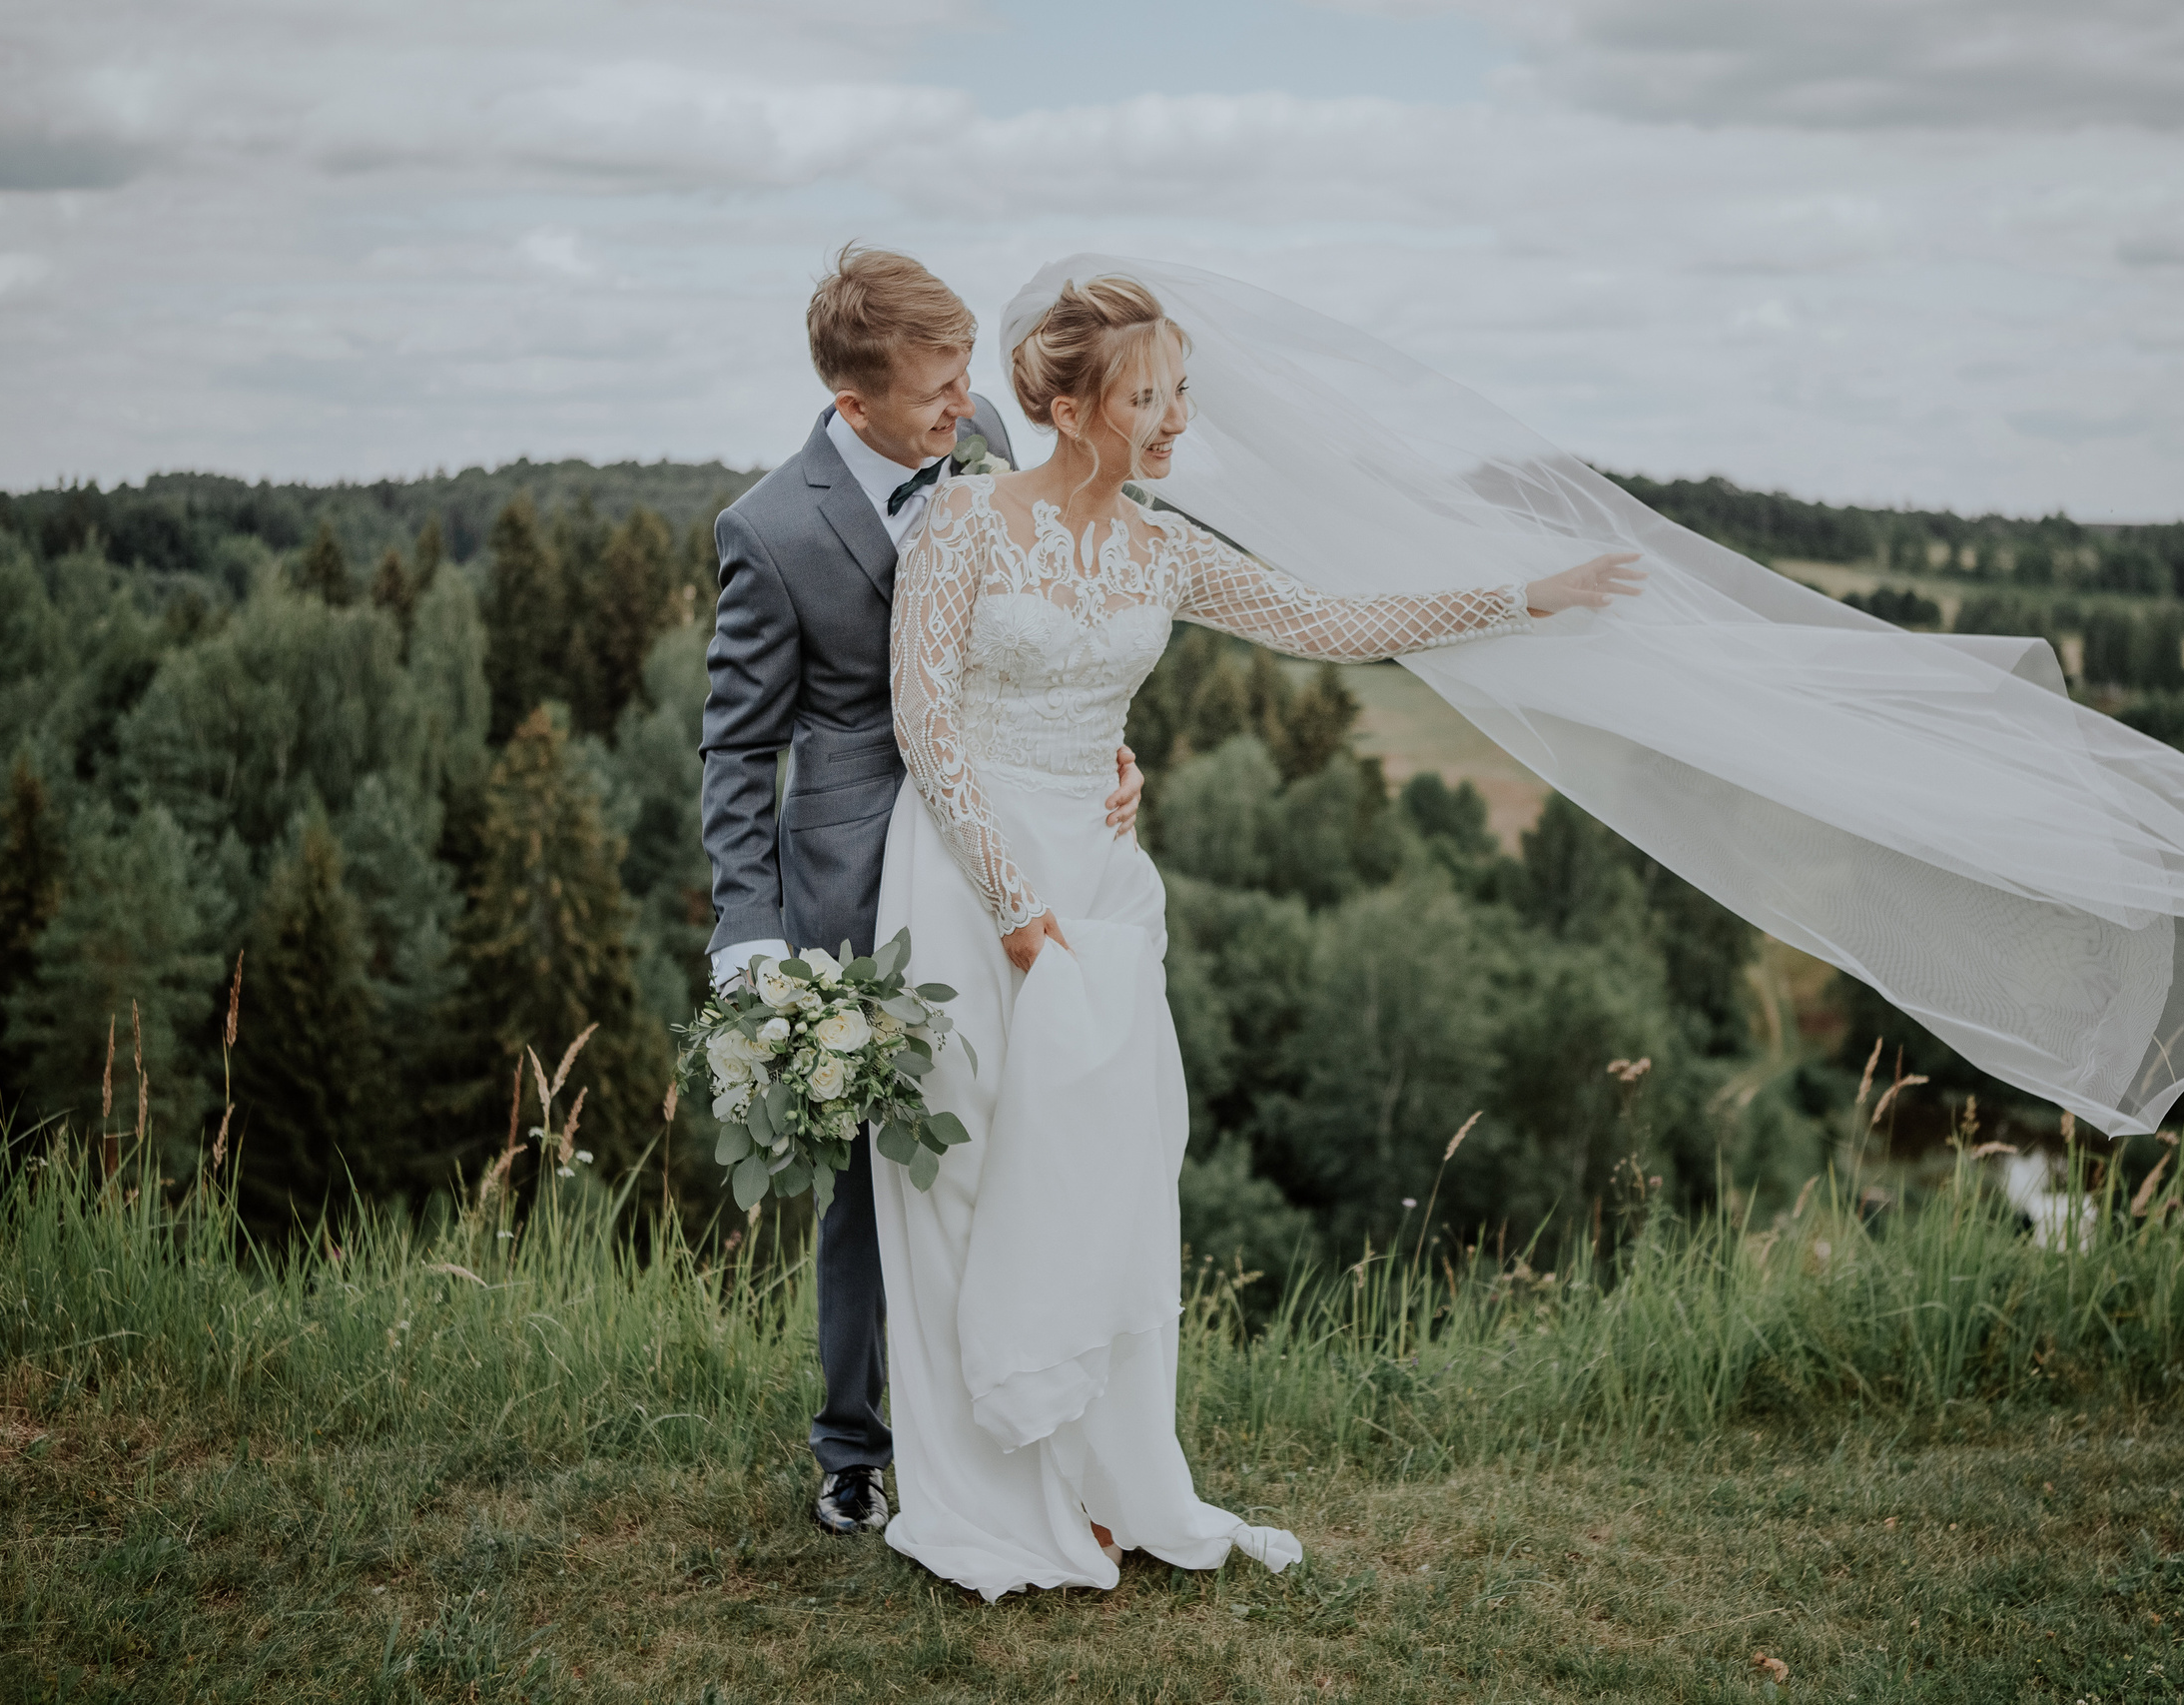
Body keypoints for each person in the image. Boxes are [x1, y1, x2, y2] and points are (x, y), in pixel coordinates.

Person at [872, 275, 1642, 1600]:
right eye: (1145, 395)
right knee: (958, 1183)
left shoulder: (1162, 548)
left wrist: (1526, 596)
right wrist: (1010, 905)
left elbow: (1327, 624)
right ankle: (986, 1494)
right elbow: (925, 724)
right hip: (961, 879)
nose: (1173, 420)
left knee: (1100, 1183)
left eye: (1180, 392)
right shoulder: (962, 525)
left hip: (1101, 890)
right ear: (1064, 405)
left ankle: (1098, 1480)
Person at [697, 246, 1146, 1538]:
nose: (964, 406)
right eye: (935, 391)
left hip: (1003, 847)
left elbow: (1048, 623)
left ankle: (1026, 1425)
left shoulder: (992, 439)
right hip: (857, 883)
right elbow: (736, 749)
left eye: (964, 379)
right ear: (855, 402)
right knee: (865, 1188)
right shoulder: (770, 531)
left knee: (1028, 1141)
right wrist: (749, 937)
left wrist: (1104, 748)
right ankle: (855, 1447)